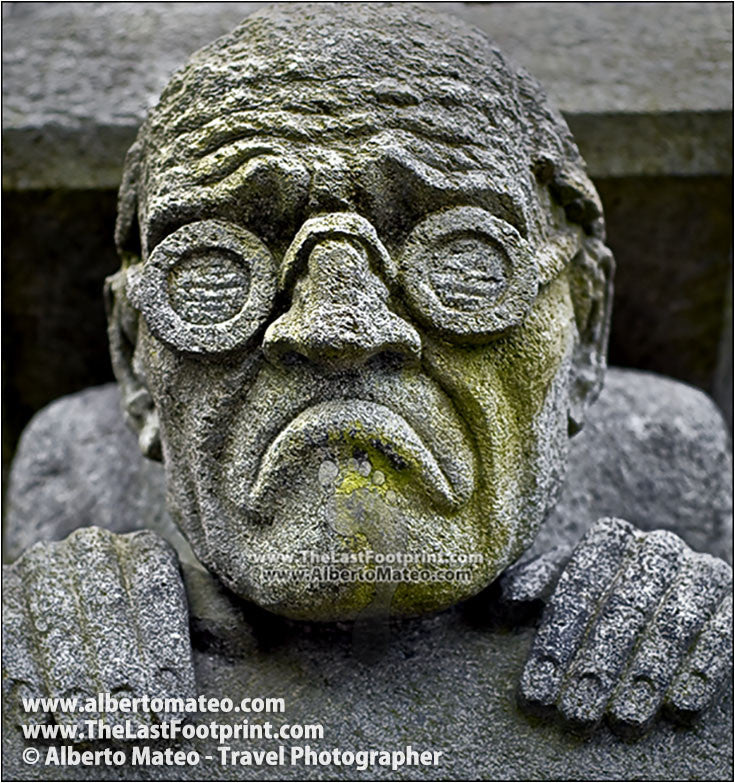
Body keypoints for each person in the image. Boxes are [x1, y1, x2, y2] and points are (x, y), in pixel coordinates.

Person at [3, 3, 731, 772]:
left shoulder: (661, 445)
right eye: (218, 268)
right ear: (131, 357)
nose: (337, 327)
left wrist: (688, 608)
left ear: (584, 333)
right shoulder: (79, 459)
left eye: (461, 259)